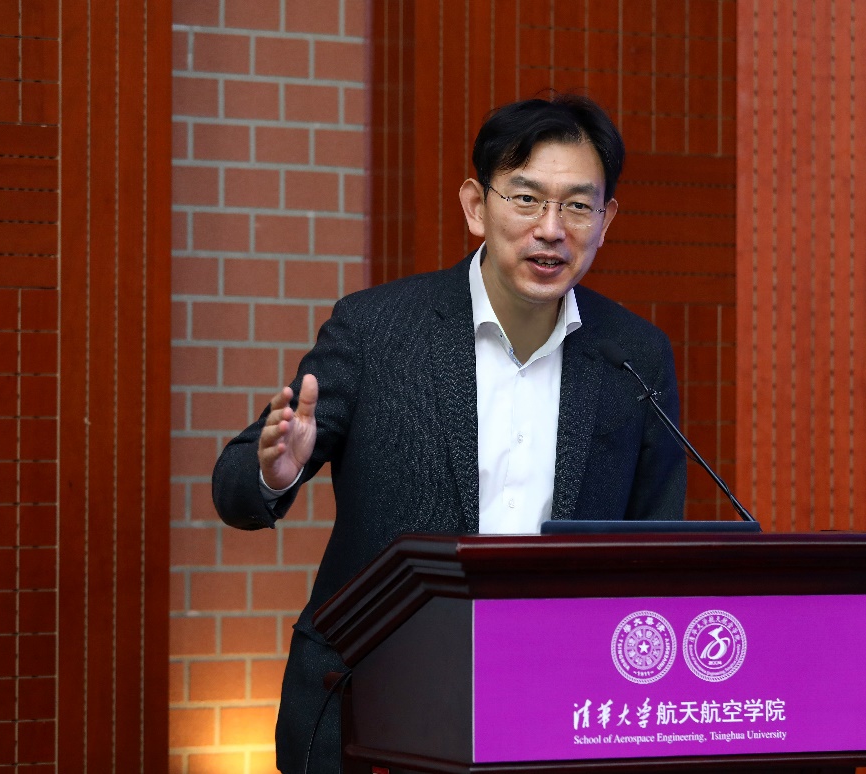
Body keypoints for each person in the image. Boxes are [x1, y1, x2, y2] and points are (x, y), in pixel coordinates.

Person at [211, 93, 686, 773]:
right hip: (375, 697)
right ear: (475, 205)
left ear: (605, 220)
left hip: (558, 707)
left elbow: (657, 544)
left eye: (577, 206)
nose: (551, 229)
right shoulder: (377, 329)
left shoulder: (633, 355)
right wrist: (273, 472)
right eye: (526, 199)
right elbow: (234, 489)